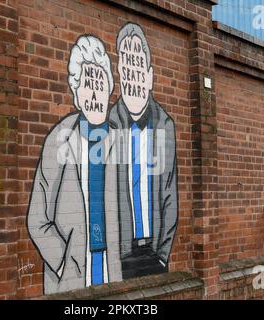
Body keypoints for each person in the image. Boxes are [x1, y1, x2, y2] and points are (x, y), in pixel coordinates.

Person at [27, 35, 122, 294]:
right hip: (71, 270)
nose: (95, 94)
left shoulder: (119, 140)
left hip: (112, 264)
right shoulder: (59, 140)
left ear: (110, 89)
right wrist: (64, 260)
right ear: (76, 93)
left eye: (100, 84)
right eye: (87, 85)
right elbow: (37, 218)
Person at [109, 22, 179, 279]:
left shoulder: (165, 124)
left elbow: (170, 193)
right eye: (127, 67)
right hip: (121, 253)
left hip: (155, 252)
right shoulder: (108, 123)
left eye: (138, 66)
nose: (132, 74)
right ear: (119, 73)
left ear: (149, 75)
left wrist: (162, 254)